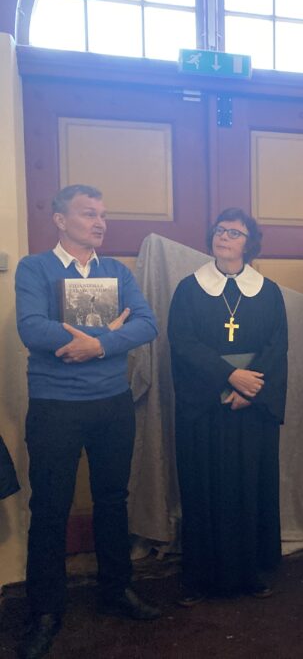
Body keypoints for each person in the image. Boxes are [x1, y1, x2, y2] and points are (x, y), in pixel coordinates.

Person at [14, 184, 160, 659]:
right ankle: (45, 611)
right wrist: (107, 332)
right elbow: (31, 328)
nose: (99, 223)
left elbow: (146, 323)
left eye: (103, 215)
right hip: (54, 406)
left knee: (113, 500)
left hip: (112, 403)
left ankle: (116, 590)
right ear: (60, 220)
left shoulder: (116, 271)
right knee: (50, 508)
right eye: (88, 214)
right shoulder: (34, 268)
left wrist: (97, 345)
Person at [168, 208, 287, 605]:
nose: (224, 237)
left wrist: (250, 389)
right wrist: (229, 377)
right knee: (203, 489)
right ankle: (201, 578)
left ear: (249, 244)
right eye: (220, 230)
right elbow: (182, 343)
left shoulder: (268, 291)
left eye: (235, 233)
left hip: (250, 409)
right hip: (205, 408)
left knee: (249, 488)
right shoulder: (189, 289)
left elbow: (277, 346)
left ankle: (249, 573)